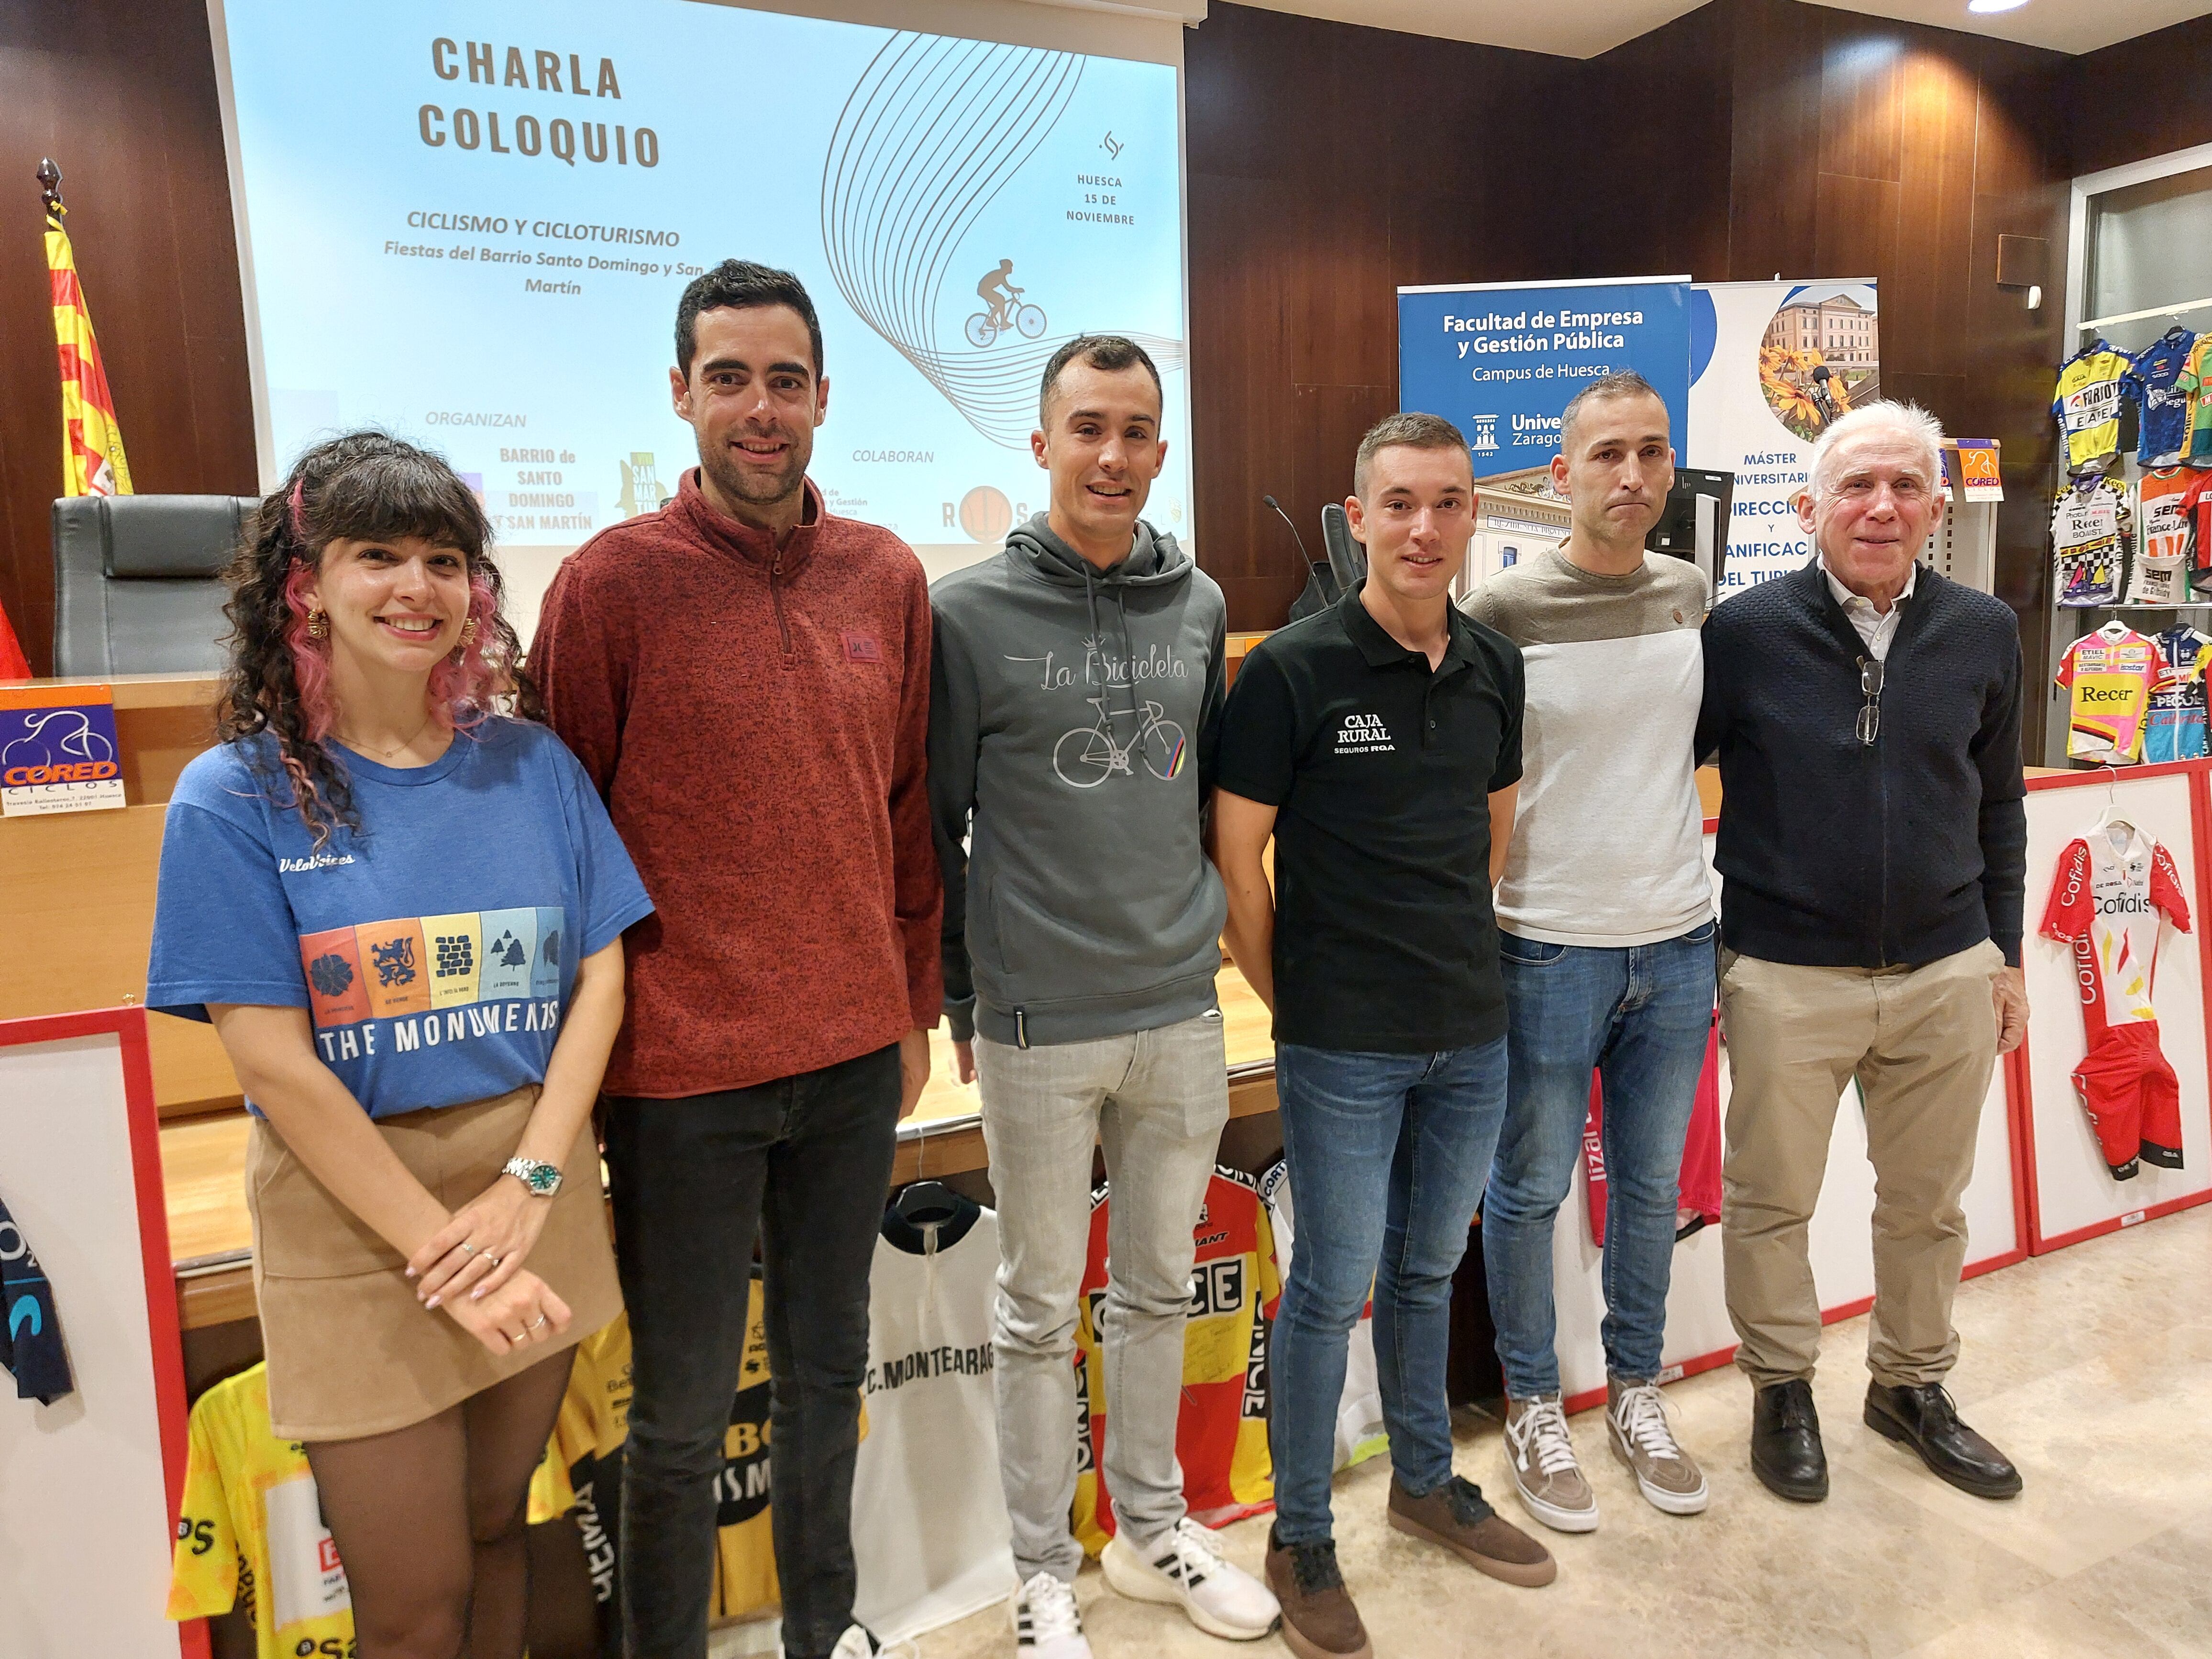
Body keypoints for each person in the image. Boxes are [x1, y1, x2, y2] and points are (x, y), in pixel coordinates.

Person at [147, 432, 653, 1659]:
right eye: (377, 554)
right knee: (413, 1606)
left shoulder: (531, 764)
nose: (415, 586)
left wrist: (533, 1180)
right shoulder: (233, 794)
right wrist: (447, 1250)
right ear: (305, 583)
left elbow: (602, 974)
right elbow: (270, 1062)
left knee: (497, 1530)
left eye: (444, 558)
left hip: (527, 1194)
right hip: (355, 1215)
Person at [530, 260, 941, 1659]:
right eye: (727, 379)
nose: (756, 409)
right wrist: (576, 1076)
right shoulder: (606, 587)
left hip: (844, 1061)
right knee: (681, 1414)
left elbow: (902, 811)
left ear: (822, 396)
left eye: (782, 380)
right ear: (679, 395)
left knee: (830, 1373)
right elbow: (563, 846)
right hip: (678, 1078)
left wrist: (912, 1006)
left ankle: (820, 1632)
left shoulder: (885, 574)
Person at [929, 335, 1280, 1659]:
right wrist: (965, 997)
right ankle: (1041, 1571)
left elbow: (1200, 805)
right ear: (1041, 443)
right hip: (1033, 1025)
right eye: (1088, 427)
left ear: (1160, 449)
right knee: (1033, 1306)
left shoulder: (1197, 605)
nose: (1113, 454)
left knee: (1155, 1288)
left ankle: (1151, 1530)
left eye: (1137, 430)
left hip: (1178, 1011)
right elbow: (940, 825)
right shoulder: (965, 617)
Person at [1212, 412, 1555, 1659]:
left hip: (1470, 1029)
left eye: (1448, 503)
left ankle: (1424, 1482)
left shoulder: (1495, 667)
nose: (1424, 526)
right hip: (1340, 1042)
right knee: (1330, 1287)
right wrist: (1296, 995)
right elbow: (1236, 861)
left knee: (1423, 1271)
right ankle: (1301, 1533)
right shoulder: (1292, 671)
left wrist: (1448, 955)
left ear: (1474, 518)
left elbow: (1492, 838)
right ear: (1357, 517)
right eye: (1398, 503)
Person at [1697, 399, 2029, 1506]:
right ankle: (1780, 1385)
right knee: (1770, 1198)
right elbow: (1657, 778)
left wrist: (2004, 953)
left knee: (1926, 1202)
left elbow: (2000, 804)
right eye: (1854, 486)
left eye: (1902, 486)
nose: (1879, 507)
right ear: (1807, 508)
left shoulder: (1984, 628)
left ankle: (1910, 1385)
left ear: (1935, 504)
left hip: (1945, 968)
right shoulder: (1737, 634)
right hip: (1784, 972)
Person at [1461, 372, 1713, 1532]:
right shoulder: (1503, 616)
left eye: (1648, 453)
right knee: (1525, 1189)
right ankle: (1529, 1400)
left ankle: (1633, 1388)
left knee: (1653, 1188)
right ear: (1559, 475)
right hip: (1547, 943)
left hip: (1676, 942)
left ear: (1669, 469)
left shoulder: (1688, 593)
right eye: (1604, 455)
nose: (1629, 476)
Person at [978, 259, 1018, 331]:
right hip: (983, 290)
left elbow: (1008, 288)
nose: (1011, 269)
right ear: (1006, 268)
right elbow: (1008, 288)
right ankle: (1000, 321)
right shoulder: (1000, 275)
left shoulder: (1001, 274)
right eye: (1010, 267)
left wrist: (1016, 290)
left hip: (985, 289)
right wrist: (1018, 290)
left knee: (1000, 302)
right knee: (1001, 300)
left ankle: (999, 321)